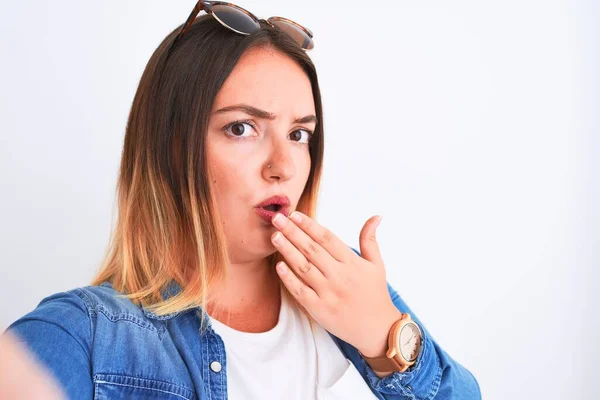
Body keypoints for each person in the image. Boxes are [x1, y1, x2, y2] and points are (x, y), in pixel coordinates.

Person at [0, 2, 481, 399]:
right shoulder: (80, 337)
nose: (284, 166)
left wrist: (384, 336)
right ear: (171, 146)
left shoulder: (346, 284)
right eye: (241, 128)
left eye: (298, 134)